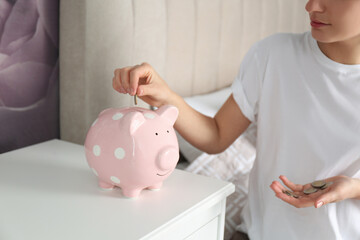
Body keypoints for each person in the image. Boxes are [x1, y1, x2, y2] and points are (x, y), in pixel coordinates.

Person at [112, 0, 360, 239]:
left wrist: (354, 188)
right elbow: (217, 135)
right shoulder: (272, 55)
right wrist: (165, 95)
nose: (312, 6)